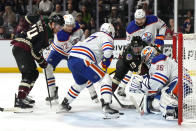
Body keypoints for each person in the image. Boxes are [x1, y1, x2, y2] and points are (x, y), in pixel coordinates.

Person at [58, 23, 120, 119]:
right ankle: (106, 106)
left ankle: (64, 104)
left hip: (72, 59)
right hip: (83, 60)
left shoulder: (94, 35)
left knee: (80, 84)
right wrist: (104, 65)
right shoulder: (107, 37)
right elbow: (107, 52)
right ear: (111, 32)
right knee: (105, 78)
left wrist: (103, 64)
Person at [11, 14, 65, 109]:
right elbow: (35, 53)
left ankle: (24, 95)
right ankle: (19, 100)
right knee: (29, 73)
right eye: (58, 26)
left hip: (22, 46)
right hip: (22, 48)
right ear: (52, 24)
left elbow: (27, 17)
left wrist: (22, 28)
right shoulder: (46, 36)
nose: (59, 29)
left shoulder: (43, 19)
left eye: (61, 27)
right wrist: (43, 63)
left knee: (34, 73)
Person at [45, 14, 99, 104]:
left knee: (82, 69)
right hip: (58, 51)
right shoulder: (61, 35)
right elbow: (70, 46)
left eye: (72, 25)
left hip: (71, 50)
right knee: (47, 68)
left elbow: (81, 33)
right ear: (63, 25)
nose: (70, 28)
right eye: (68, 25)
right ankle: (52, 93)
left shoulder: (76, 26)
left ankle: (93, 93)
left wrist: (82, 40)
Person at [129, 46, 193, 120]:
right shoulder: (155, 65)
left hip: (181, 81)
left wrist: (141, 85)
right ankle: (174, 105)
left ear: (150, 54)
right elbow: (155, 84)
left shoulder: (159, 59)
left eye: (145, 58)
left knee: (166, 96)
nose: (144, 61)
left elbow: (158, 82)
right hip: (174, 83)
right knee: (156, 103)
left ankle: (174, 109)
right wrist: (141, 84)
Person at [115, 8, 167, 97]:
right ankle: (122, 87)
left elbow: (163, 25)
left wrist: (160, 37)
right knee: (133, 67)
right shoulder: (130, 28)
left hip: (153, 48)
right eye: (138, 20)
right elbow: (129, 43)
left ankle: (156, 87)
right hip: (139, 50)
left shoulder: (153, 19)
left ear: (145, 17)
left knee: (156, 67)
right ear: (135, 19)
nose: (140, 22)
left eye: (142, 19)